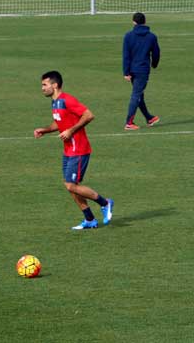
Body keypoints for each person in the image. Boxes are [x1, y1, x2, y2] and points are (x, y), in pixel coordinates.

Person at [34, 71, 114, 230]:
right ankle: (89, 219)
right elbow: (58, 123)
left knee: (71, 185)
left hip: (79, 149)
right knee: (70, 186)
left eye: (45, 84)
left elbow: (89, 115)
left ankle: (105, 203)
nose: (42, 88)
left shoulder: (67, 100)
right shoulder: (55, 102)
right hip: (69, 150)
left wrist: (71, 130)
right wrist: (45, 130)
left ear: (55, 85)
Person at [122, 12, 161, 130]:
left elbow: (126, 55)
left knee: (139, 95)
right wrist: (154, 64)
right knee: (136, 95)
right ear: (145, 21)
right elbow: (156, 53)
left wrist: (126, 72)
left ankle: (149, 118)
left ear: (134, 22)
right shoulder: (151, 37)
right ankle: (129, 122)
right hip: (143, 70)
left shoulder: (128, 36)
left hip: (132, 69)